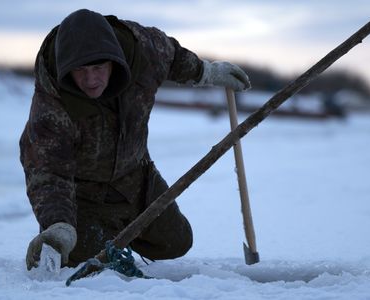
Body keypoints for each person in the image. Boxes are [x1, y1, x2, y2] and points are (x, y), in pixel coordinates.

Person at [20, 8, 250, 270]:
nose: (91, 79)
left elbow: (173, 57)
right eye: (80, 70)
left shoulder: (144, 50)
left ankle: (116, 232)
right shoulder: (51, 106)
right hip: (82, 193)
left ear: (114, 60)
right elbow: (47, 172)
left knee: (176, 242)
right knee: (84, 261)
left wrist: (206, 72)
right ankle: (88, 234)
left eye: (98, 67)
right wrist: (58, 225)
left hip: (136, 177)